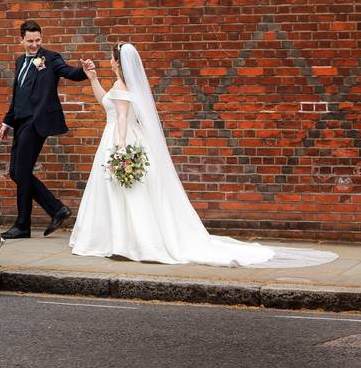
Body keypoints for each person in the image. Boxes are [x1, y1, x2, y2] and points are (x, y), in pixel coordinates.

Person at [68, 42, 337, 267]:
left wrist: (120, 148)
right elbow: (109, 105)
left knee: (125, 193)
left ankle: (127, 240)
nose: (110, 62)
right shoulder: (124, 86)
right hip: (123, 137)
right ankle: (123, 239)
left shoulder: (123, 87)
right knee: (127, 194)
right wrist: (93, 79)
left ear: (117, 62)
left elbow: (122, 117)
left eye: (112, 59)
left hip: (119, 140)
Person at [0, 20, 95, 239]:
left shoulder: (50, 58)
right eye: (30, 41)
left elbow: (68, 71)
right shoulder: (20, 61)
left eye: (38, 40)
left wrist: (84, 71)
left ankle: (23, 224)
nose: (34, 45)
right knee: (16, 172)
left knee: (21, 172)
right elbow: (18, 95)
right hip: (20, 122)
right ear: (21, 40)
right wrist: (7, 121)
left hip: (36, 122)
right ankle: (56, 209)